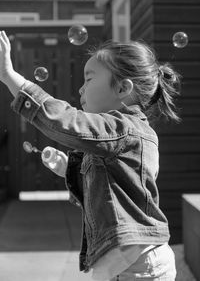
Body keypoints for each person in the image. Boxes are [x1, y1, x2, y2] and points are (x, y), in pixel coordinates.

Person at [0, 30, 180, 280]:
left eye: (89, 79)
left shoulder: (124, 129)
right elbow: (112, 188)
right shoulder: (125, 135)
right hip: (130, 261)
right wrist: (69, 168)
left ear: (122, 88)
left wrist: (10, 77)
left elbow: (66, 121)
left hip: (134, 265)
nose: (81, 89)